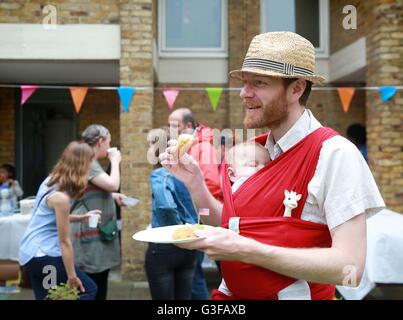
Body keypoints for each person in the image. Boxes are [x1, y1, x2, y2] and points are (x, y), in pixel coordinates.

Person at [160, 32, 385, 300]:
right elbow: (230, 227)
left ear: (296, 89)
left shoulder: (335, 154)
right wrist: (196, 186)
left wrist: (246, 250)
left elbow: (351, 268)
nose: (244, 93)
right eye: (244, 83)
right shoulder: (254, 150)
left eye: (259, 83)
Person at [19, 141, 99, 300]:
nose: (92, 164)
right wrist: (71, 275)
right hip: (45, 255)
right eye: (91, 160)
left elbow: (49, 217)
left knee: (48, 298)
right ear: (82, 164)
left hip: (30, 253)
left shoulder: (50, 181)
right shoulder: (61, 197)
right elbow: (65, 242)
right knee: (89, 290)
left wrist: (80, 218)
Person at [168, 108, 222, 299]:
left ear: (188, 126)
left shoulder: (202, 147)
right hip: (191, 213)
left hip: (199, 214)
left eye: (174, 125)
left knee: (194, 272)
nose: (170, 129)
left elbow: (213, 184)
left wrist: (201, 210)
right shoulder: (190, 145)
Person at [71, 124, 126, 300]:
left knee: (98, 282)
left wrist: (111, 196)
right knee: (94, 287)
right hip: (89, 235)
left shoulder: (86, 160)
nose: (109, 147)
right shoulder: (89, 161)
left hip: (94, 234)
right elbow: (112, 184)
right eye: (108, 142)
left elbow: (92, 189)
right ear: (101, 141)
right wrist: (115, 161)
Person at [145, 128, 197, 300]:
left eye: (150, 145)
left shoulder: (160, 173)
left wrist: (175, 232)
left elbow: (165, 206)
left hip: (166, 246)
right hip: (189, 245)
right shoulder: (189, 172)